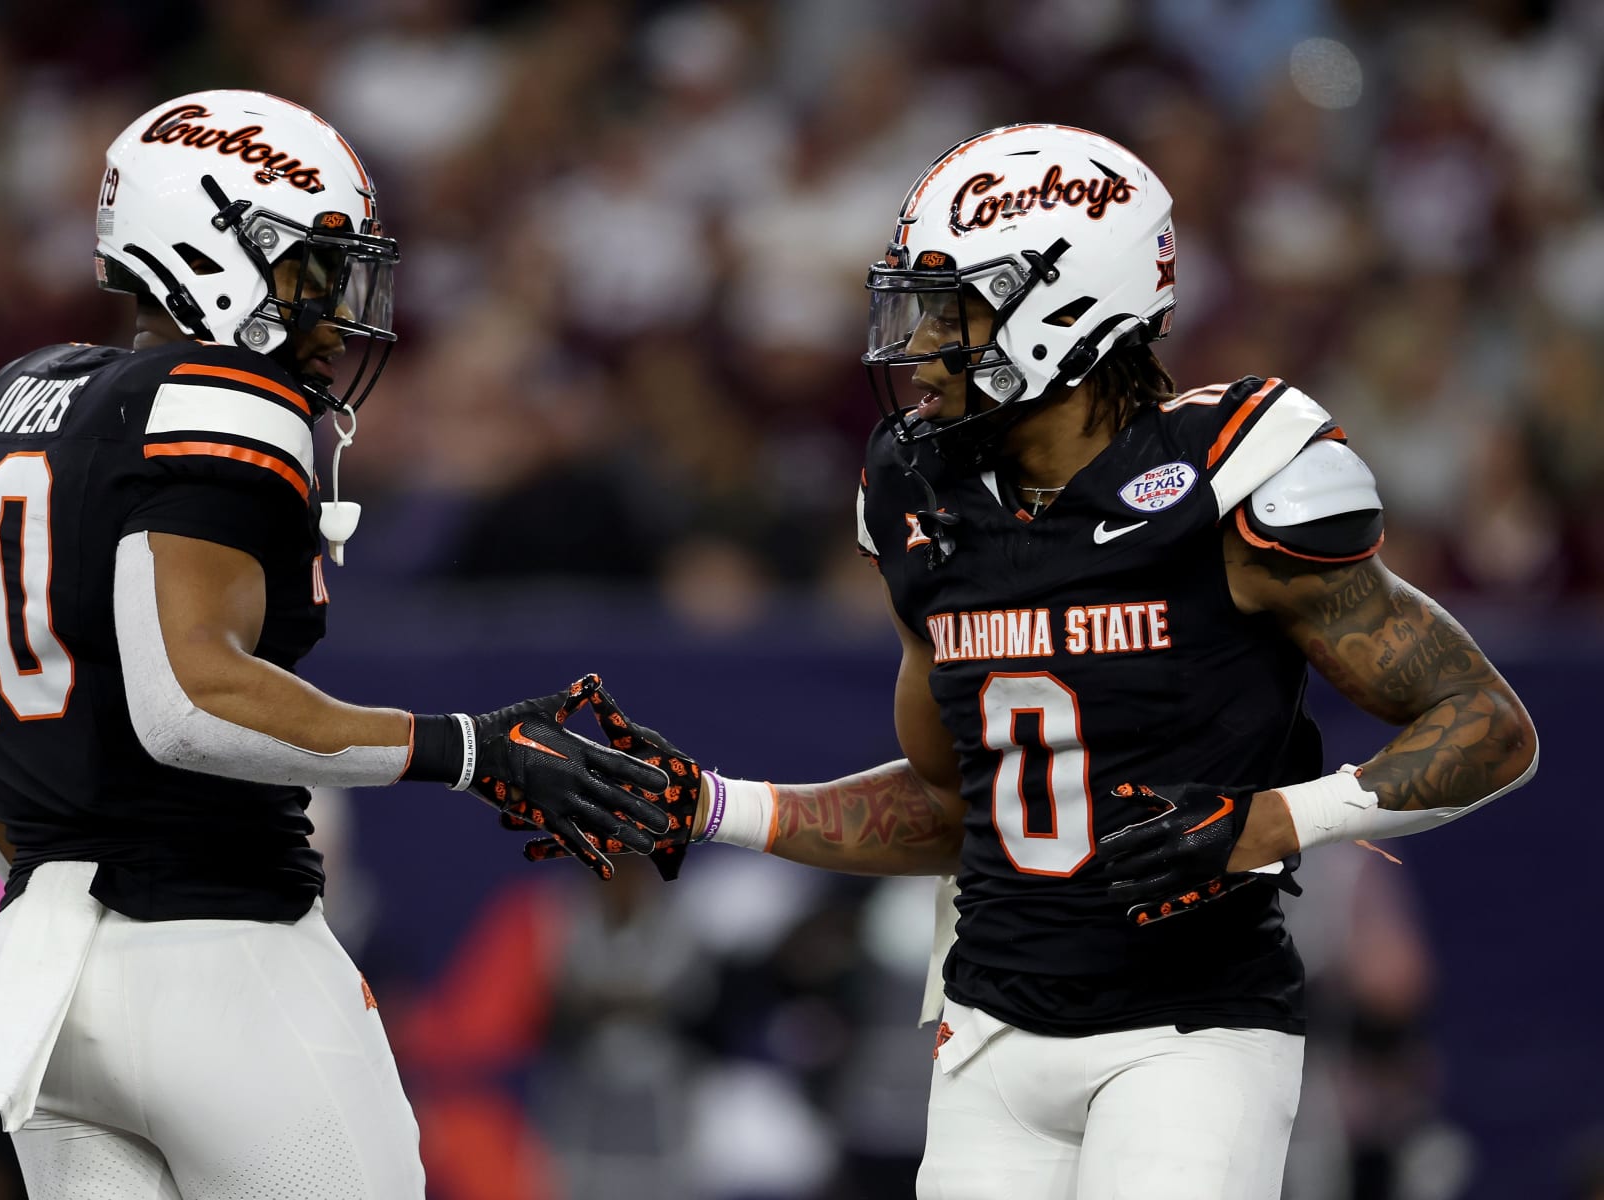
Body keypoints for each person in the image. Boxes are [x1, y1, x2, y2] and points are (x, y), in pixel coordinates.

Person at [525, 125, 1540, 1200]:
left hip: (1189, 1034)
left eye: (954, 306)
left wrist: (1283, 820)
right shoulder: (919, 492)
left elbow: (1488, 726)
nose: (920, 344)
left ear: (1067, 304)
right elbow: (962, 807)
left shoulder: (1230, 473)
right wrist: (712, 806)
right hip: (990, 1035)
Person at [0, 89, 672, 1199]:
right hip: (222, 963)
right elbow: (187, 701)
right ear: (205, 247)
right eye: (306, 271)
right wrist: (473, 750)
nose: (332, 314)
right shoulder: (224, 395)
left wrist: (60, 888)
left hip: (38, 975)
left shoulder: (29, 396)